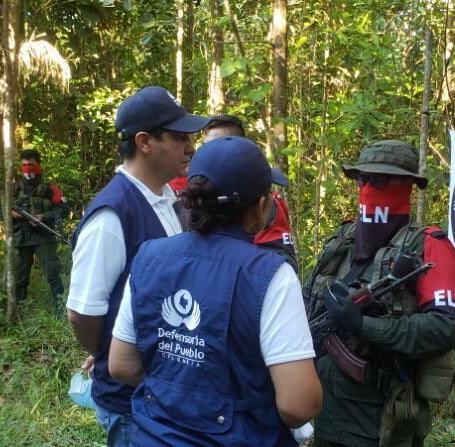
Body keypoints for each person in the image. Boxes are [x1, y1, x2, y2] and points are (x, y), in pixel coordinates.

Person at [108, 135, 322, 446]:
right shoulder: (270, 275)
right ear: (261, 206)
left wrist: (179, 393)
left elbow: (121, 365)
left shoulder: (148, 257)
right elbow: (299, 405)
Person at [67, 86, 209, 446]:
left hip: (164, 389)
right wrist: (108, 352)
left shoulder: (169, 199)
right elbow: (82, 312)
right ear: (144, 141)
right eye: (178, 137)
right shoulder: (112, 217)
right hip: (132, 402)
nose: (189, 147)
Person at [304, 140, 455, 447]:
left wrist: (364, 325)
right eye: (363, 179)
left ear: (408, 186)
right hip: (326, 408)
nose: (368, 188)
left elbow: (444, 328)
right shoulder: (343, 240)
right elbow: (308, 298)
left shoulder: (429, 246)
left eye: (380, 180)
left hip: (383, 417)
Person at [170, 113, 299, 270]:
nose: (212, 154)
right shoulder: (180, 191)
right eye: (206, 147)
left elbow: (283, 263)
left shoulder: (261, 200)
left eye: (221, 146)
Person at [10, 149, 68, 317]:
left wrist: (44, 216)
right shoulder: (13, 188)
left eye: (31, 165)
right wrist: (11, 213)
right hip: (21, 238)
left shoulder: (50, 188)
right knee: (19, 278)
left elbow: (63, 209)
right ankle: (19, 314)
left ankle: (61, 311)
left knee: (52, 273)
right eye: (24, 165)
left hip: (44, 236)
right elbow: (0, 211)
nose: (27, 168)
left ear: (38, 165)